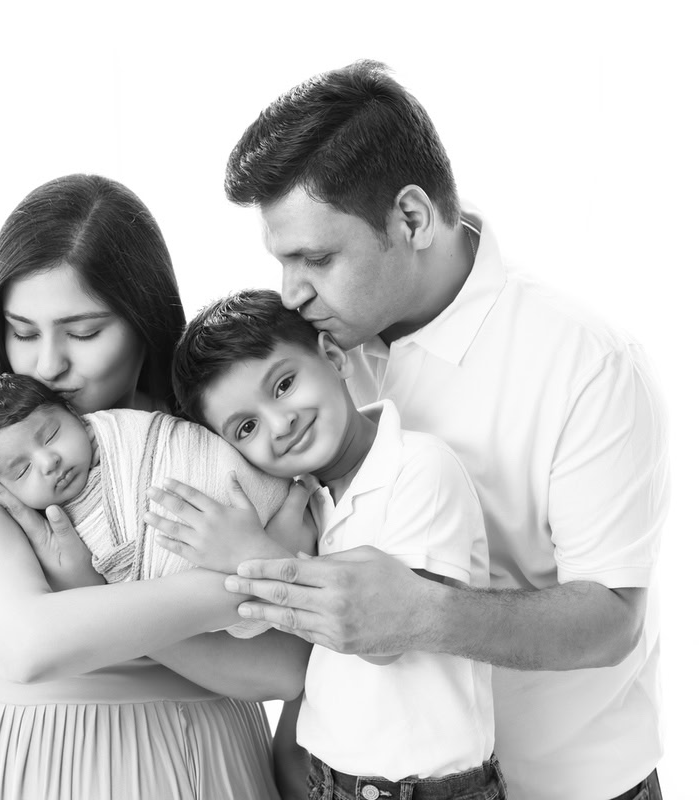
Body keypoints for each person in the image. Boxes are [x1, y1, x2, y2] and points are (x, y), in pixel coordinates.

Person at [214, 62, 670, 800]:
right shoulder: (308, 364)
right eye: (282, 260)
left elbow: (612, 619)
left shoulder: (586, 362)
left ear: (413, 218)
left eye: (317, 258)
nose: (293, 290)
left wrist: (427, 615)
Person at [0, 174, 309, 800]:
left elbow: (283, 667)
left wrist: (91, 597)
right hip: (45, 767)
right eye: (23, 331)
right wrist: (257, 576)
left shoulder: (206, 439)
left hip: (221, 769)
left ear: (143, 323)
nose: (46, 364)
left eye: (83, 333)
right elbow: (25, 642)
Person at [147, 288, 505, 799]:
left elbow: (387, 636)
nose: (281, 422)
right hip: (329, 780)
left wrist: (249, 553)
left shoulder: (418, 468)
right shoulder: (302, 506)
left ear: (333, 356)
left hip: (433, 789)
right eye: (246, 427)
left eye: (284, 384)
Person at [0, 372, 303, 637]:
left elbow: (196, 455)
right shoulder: (53, 532)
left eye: (52, 435)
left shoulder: (126, 435)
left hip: (271, 514)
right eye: (23, 469)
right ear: (3, 490)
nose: (49, 462)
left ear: (75, 417)